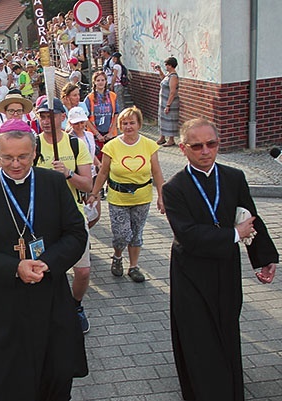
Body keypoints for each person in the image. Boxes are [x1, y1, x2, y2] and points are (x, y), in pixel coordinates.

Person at [0, 120, 89, 401]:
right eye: (7, 157)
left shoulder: (53, 183)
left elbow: (76, 233)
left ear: (35, 154)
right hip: (5, 304)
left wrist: (49, 262)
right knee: (11, 383)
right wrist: (14, 268)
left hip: (50, 296)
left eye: (23, 157)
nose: (15, 164)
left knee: (55, 379)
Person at [163, 118, 278, 401]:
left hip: (225, 266)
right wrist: (233, 234)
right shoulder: (174, 188)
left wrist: (263, 258)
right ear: (183, 148)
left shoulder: (233, 177)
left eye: (211, 144)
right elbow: (187, 234)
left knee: (227, 328)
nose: (205, 151)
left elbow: (250, 217)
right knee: (197, 335)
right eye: (197, 145)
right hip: (190, 271)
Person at [34, 98, 94, 334]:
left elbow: (88, 184)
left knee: (83, 271)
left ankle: (76, 305)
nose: (46, 121)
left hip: (72, 215)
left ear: (62, 117)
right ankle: (48, 311)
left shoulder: (75, 144)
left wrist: (68, 174)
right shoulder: (33, 144)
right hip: (41, 218)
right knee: (44, 270)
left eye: (50, 116)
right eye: (41, 116)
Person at [88, 106, 165, 283]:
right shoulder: (111, 146)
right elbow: (103, 172)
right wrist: (94, 193)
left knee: (137, 233)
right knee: (122, 234)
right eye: (124, 123)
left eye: (132, 122)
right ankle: (117, 256)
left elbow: (157, 172)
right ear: (119, 125)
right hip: (118, 197)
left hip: (142, 197)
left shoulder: (149, 145)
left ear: (139, 124)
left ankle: (133, 266)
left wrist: (162, 196)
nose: (128, 126)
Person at [0, 92, 33, 179]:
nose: (15, 114)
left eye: (19, 111)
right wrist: (3, 164)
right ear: (5, 112)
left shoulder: (31, 133)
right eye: (11, 111)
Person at [84, 71, 120, 153]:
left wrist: (110, 133)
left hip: (110, 133)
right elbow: (86, 118)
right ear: (94, 82)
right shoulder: (89, 98)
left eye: (103, 80)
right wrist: (97, 134)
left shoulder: (113, 96)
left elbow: (116, 114)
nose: (101, 82)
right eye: (98, 80)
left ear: (106, 81)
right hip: (95, 134)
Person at [155, 57, 180, 147]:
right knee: (162, 119)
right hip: (163, 101)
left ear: (170, 65)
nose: (165, 66)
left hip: (170, 102)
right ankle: (162, 137)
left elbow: (172, 92)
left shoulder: (173, 76)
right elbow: (163, 79)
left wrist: (168, 105)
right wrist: (160, 71)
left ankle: (171, 139)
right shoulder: (169, 75)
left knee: (169, 119)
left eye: (166, 64)